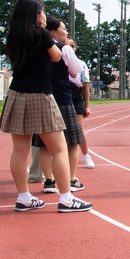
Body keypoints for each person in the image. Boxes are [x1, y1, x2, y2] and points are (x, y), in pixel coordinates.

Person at [0, 0, 92, 213]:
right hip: (40, 95)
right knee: (58, 149)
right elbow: (57, 57)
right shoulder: (40, 34)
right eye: (41, 12)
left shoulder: (13, 36)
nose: (43, 16)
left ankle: (23, 197)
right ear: (35, 14)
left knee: (19, 151)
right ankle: (66, 198)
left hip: (16, 94)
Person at [32, 17, 86, 194]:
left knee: (44, 145)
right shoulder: (64, 50)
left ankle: (49, 181)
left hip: (42, 98)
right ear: (53, 32)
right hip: (62, 99)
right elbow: (75, 71)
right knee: (71, 143)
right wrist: (70, 49)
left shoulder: (35, 47)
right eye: (64, 29)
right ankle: (70, 179)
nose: (66, 33)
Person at [67, 37, 94, 169]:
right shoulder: (58, 60)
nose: (71, 48)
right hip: (62, 91)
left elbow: (85, 86)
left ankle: (86, 155)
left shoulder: (82, 64)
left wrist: (87, 106)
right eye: (69, 46)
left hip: (76, 95)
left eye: (73, 46)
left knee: (79, 129)